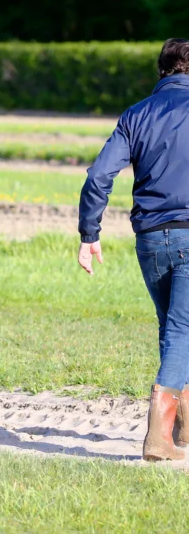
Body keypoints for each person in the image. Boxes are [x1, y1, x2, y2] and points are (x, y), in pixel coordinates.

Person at [78, 38, 189, 462]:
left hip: (150, 240)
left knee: (174, 328)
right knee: (182, 330)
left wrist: (90, 233)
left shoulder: (136, 114)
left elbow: (98, 176)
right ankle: (159, 439)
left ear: (162, 71)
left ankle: (184, 426)